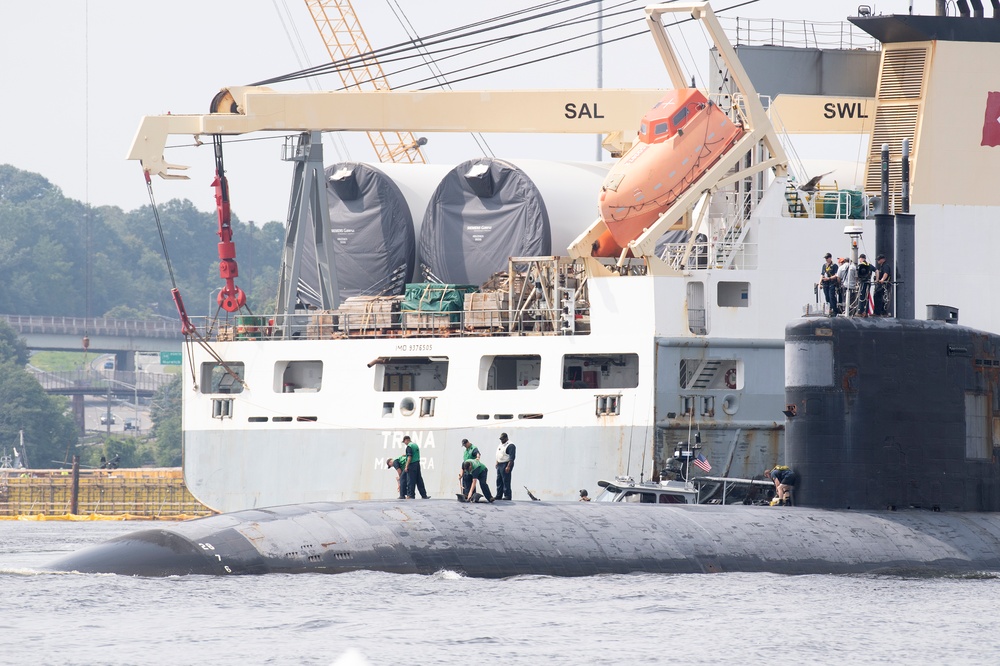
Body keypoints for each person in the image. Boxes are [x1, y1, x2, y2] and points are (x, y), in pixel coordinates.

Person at [402, 435, 430, 499]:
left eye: (404, 442)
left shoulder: (409, 446)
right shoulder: (415, 445)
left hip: (411, 465)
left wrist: (406, 466)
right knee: (419, 480)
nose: (405, 443)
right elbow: (414, 454)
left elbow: (409, 457)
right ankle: (424, 495)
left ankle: (410, 495)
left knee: (411, 480)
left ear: (406, 440)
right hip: (417, 464)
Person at [495, 432, 516, 500]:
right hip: (500, 464)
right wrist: (497, 462)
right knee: (499, 480)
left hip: (506, 464)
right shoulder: (501, 444)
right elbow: (499, 454)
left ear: (506, 438)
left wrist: (508, 466)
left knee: (506, 480)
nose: (501, 440)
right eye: (501, 439)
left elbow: (512, 458)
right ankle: (499, 495)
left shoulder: (510, 445)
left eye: (503, 439)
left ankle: (507, 495)